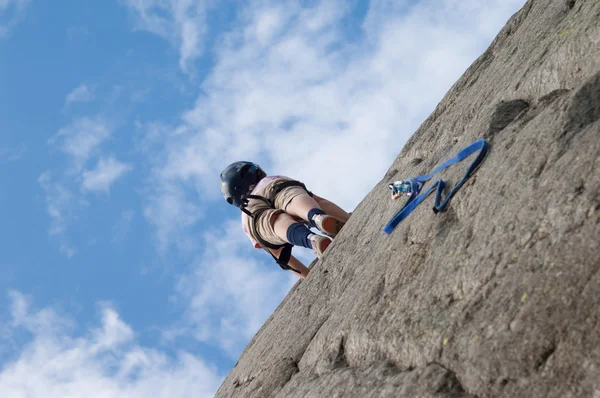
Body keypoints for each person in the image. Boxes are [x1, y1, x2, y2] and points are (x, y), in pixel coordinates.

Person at [220, 161, 351, 279]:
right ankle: (316, 217)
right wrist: (347, 218)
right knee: (291, 198)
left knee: (273, 223)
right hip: (274, 186)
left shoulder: (244, 218)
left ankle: (311, 240)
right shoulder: (270, 179)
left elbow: (277, 253)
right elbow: (320, 201)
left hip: (250, 210)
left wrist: (308, 275)